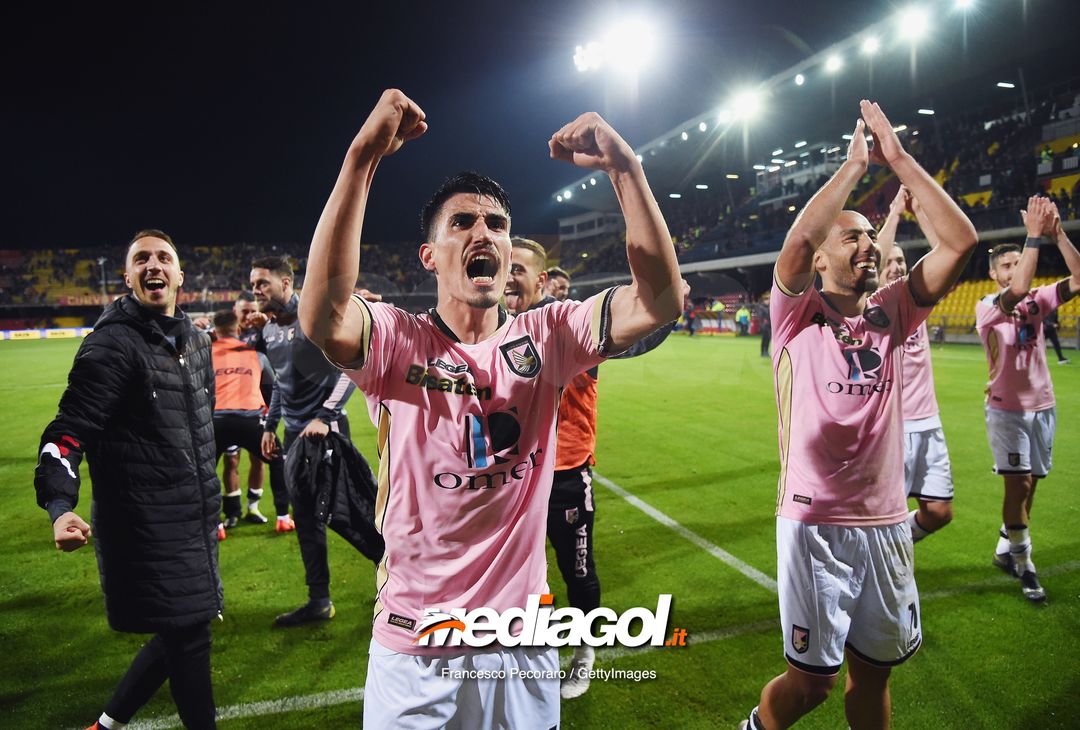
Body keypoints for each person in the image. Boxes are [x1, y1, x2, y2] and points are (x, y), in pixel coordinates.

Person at [298, 89, 682, 728]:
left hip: (520, 635)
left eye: (497, 225)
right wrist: (361, 159)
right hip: (416, 633)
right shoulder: (397, 339)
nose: (484, 233)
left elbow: (660, 300)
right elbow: (322, 316)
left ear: (509, 260)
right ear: (431, 257)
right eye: (463, 223)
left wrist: (626, 169)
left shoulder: (549, 335)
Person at [741, 101, 979, 730]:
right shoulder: (795, 312)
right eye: (853, 236)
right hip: (814, 522)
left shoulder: (894, 310)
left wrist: (898, 160)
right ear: (822, 258)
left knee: (874, 673)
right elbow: (795, 241)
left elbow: (960, 242)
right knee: (810, 687)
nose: (868, 244)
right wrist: (853, 167)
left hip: (888, 521)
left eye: (872, 236)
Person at [35, 230, 221, 730]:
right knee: (188, 635)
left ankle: (104, 726)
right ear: (129, 277)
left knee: (184, 630)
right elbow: (68, 431)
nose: (153, 265)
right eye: (142, 259)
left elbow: (199, 429)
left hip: (194, 521)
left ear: (181, 275)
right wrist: (59, 504)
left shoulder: (199, 343)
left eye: (164, 257)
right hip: (145, 526)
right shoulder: (113, 345)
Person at [504, 237, 681, 699]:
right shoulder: (492, 329)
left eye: (518, 268)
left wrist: (668, 303)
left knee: (577, 572)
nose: (507, 276)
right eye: (503, 265)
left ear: (542, 280)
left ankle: (584, 654)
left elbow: (641, 328)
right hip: (511, 481)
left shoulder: (574, 328)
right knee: (514, 576)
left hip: (565, 475)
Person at [976, 197, 1080, 602]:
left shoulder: (1039, 300)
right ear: (992, 273)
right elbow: (1018, 288)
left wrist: (1057, 235)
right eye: (1006, 264)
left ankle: (1008, 548)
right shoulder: (987, 308)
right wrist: (1034, 234)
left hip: (1043, 405)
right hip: (1007, 411)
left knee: (1032, 483)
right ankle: (1025, 565)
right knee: (1017, 486)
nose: (1014, 269)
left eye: (1018, 262)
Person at [250, 254, 358, 626]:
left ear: (286, 283)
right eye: (252, 285)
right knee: (307, 518)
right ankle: (319, 601)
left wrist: (325, 417)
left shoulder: (313, 319)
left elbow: (351, 368)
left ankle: (407, 588)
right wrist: (269, 426)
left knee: (352, 512)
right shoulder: (268, 330)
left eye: (262, 283)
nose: (255, 290)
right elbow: (281, 383)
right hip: (295, 433)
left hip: (325, 430)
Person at [877, 186, 955, 543]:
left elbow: (947, 252)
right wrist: (894, 214)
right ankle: (881, 569)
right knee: (882, 515)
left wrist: (919, 212)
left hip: (929, 421)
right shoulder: (872, 307)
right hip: (893, 427)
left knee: (939, 512)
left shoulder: (917, 300)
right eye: (889, 262)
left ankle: (893, 547)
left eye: (901, 262)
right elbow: (874, 260)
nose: (896, 267)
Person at [210, 309, 288, 534]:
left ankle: (215, 525)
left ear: (216, 331)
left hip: (217, 421)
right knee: (276, 459)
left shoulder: (204, 354)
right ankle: (283, 516)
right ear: (238, 329)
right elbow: (272, 391)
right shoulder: (256, 355)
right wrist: (268, 425)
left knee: (205, 471)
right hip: (249, 420)